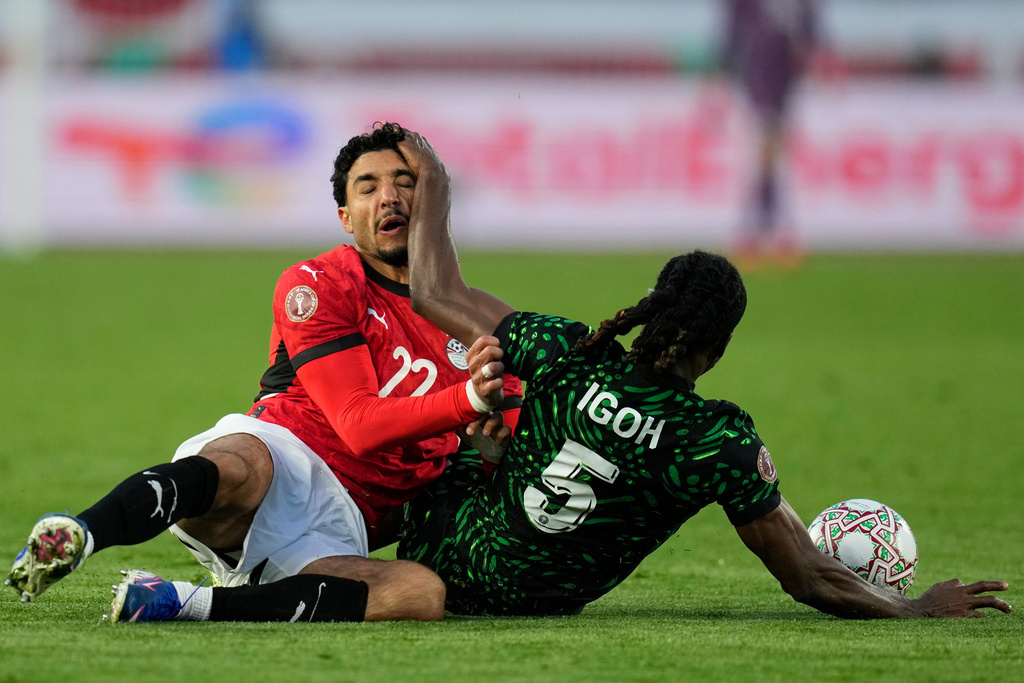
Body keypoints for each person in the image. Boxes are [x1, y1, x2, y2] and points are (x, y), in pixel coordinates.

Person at [394, 127, 1012, 619]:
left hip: (438, 560)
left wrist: (436, 183)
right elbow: (806, 572)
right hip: (539, 605)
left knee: (460, 405)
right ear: (718, 351)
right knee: (488, 420)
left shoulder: (567, 351)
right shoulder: (716, 442)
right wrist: (913, 607)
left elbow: (433, 290)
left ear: (652, 308)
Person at [6, 122, 519, 624]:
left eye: (406, 183)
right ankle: (77, 534)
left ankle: (182, 603)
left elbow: (512, 451)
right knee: (242, 468)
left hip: (343, 526)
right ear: (346, 216)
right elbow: (359, 425)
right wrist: (470, 399)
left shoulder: (479, 321)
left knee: (419, 594)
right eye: (369, 187)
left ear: (431, 204)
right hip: (284, 454)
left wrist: (492, 456)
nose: (389, 197)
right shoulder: (320, 282)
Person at [721, 0, 822, 269]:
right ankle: (760, 233)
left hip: (776, 90)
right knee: (763, 163)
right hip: (761, 89)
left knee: (767, 164)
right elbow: (731, 36)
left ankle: (760, 233)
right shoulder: (760, 20)